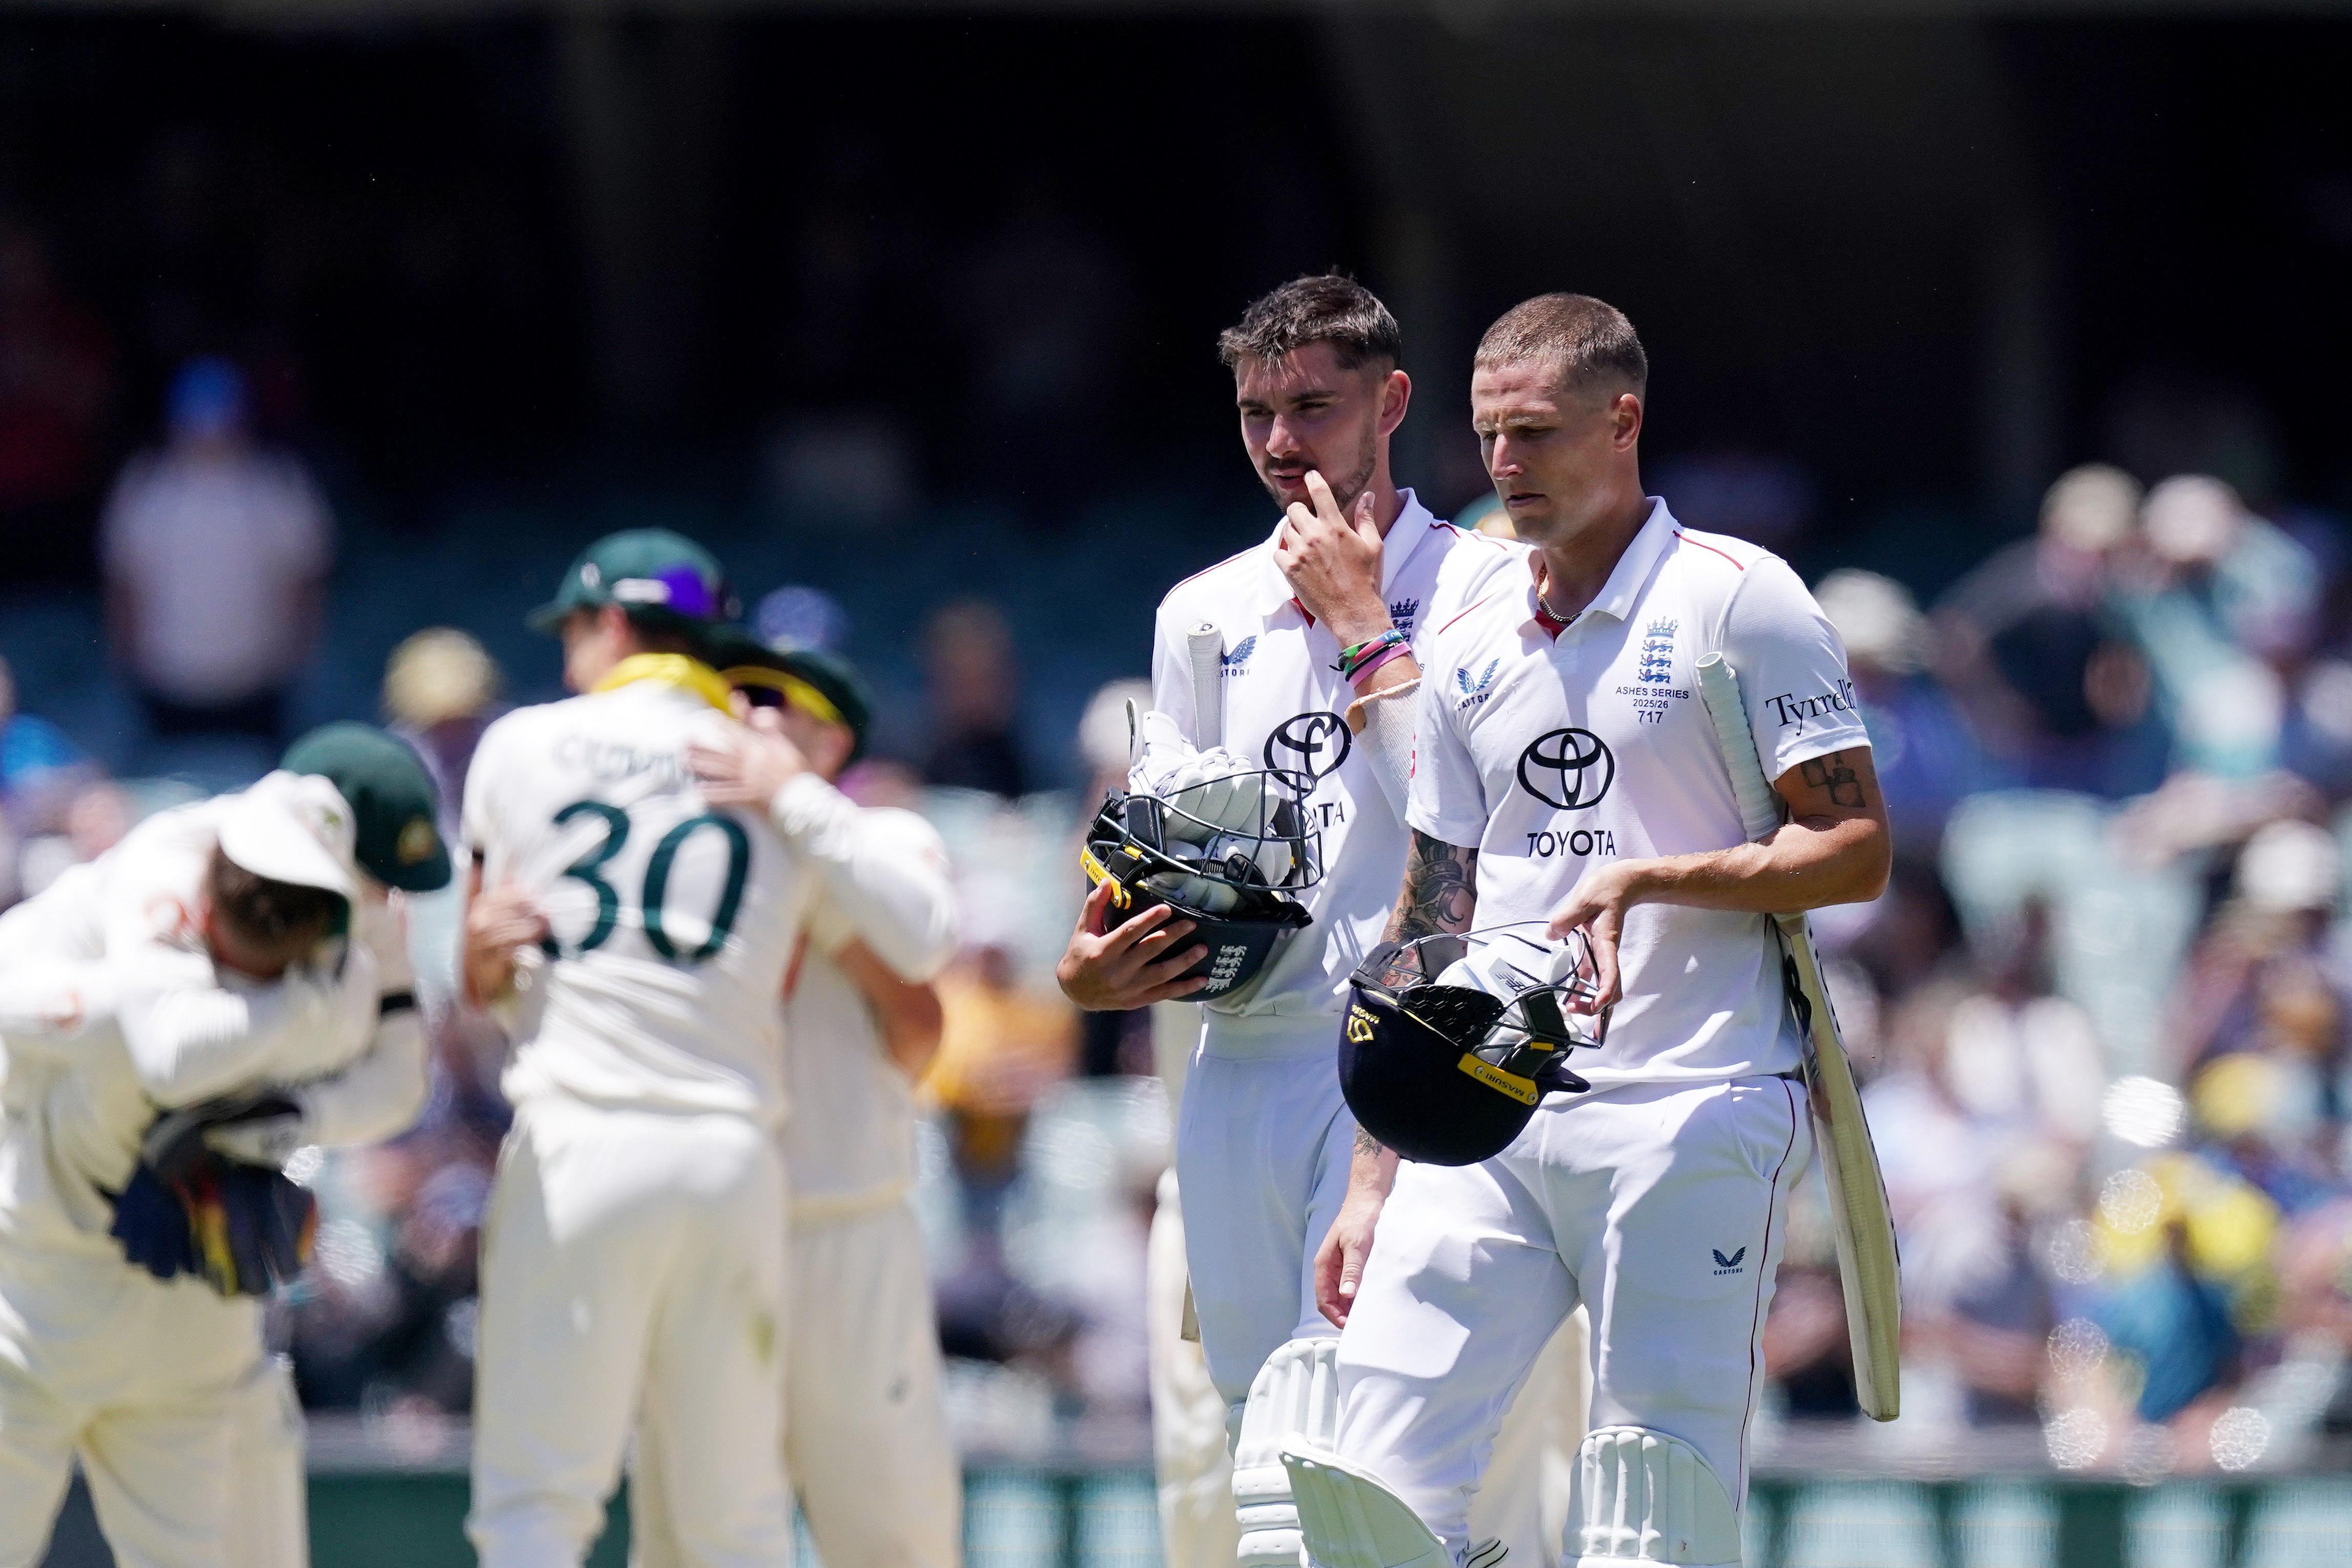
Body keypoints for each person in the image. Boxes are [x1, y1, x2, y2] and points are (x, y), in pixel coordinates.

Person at [1291, 294, 1889, 1568]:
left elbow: (1853, 849)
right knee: (1361, 1503)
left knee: (1648, 1511)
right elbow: (1434, 901)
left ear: (1621, 422)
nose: (1503, 467)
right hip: (1484, 1105)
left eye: (1535, 434)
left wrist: (1651, 879)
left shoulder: (1743, 600)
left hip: (1693, 1096)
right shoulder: (1459, 624)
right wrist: (1372, 1167)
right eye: (1486, 437)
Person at [1054, 274, 1530, 1568]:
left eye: (1311, 407)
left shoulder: (1491, 590)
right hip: (1236, 1066)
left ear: (1389, 403)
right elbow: (1178, 847)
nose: (1278, 442)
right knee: (1259, 1440)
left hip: (1404, 1064)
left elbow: (1467, 831)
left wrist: (1361, 621)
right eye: (1255, 410)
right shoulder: (1199, 614)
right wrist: (1099, 960)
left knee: (1346, 1460)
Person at [459, 527, 893, 1567]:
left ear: (608, 624)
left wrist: (479, 966)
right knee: (734, 1515)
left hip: (583, 1136)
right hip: (732, 1157)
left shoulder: (521, 744)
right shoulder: (769, 775)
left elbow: (486, 968)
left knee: (537, 1502)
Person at [0, 726, 451, 1568]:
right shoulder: (154, 938)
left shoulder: (342, 947)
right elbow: (174, 1058)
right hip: (33, 1299)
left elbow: (398, 1089)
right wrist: (309, 1022)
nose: (271, 917)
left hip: (180, 1326)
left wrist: (288, 1116)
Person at [626, 626, 963, 1568]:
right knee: (687, 1534)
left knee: (891, 1530)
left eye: (777, 704)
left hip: (843, 1224)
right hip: (703, 1226)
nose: (748, 719)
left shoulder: (886, 836)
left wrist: (794, 812)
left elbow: (920, 954)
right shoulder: (676, 851)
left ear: (834, 745)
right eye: (733, 698)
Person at [100, 356, 333, 749]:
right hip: (168, 684)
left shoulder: (277, 484)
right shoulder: (144, 487)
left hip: (258, 683)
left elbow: (306, 579)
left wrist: (295, 659)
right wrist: (131, 664)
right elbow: (123, 583)